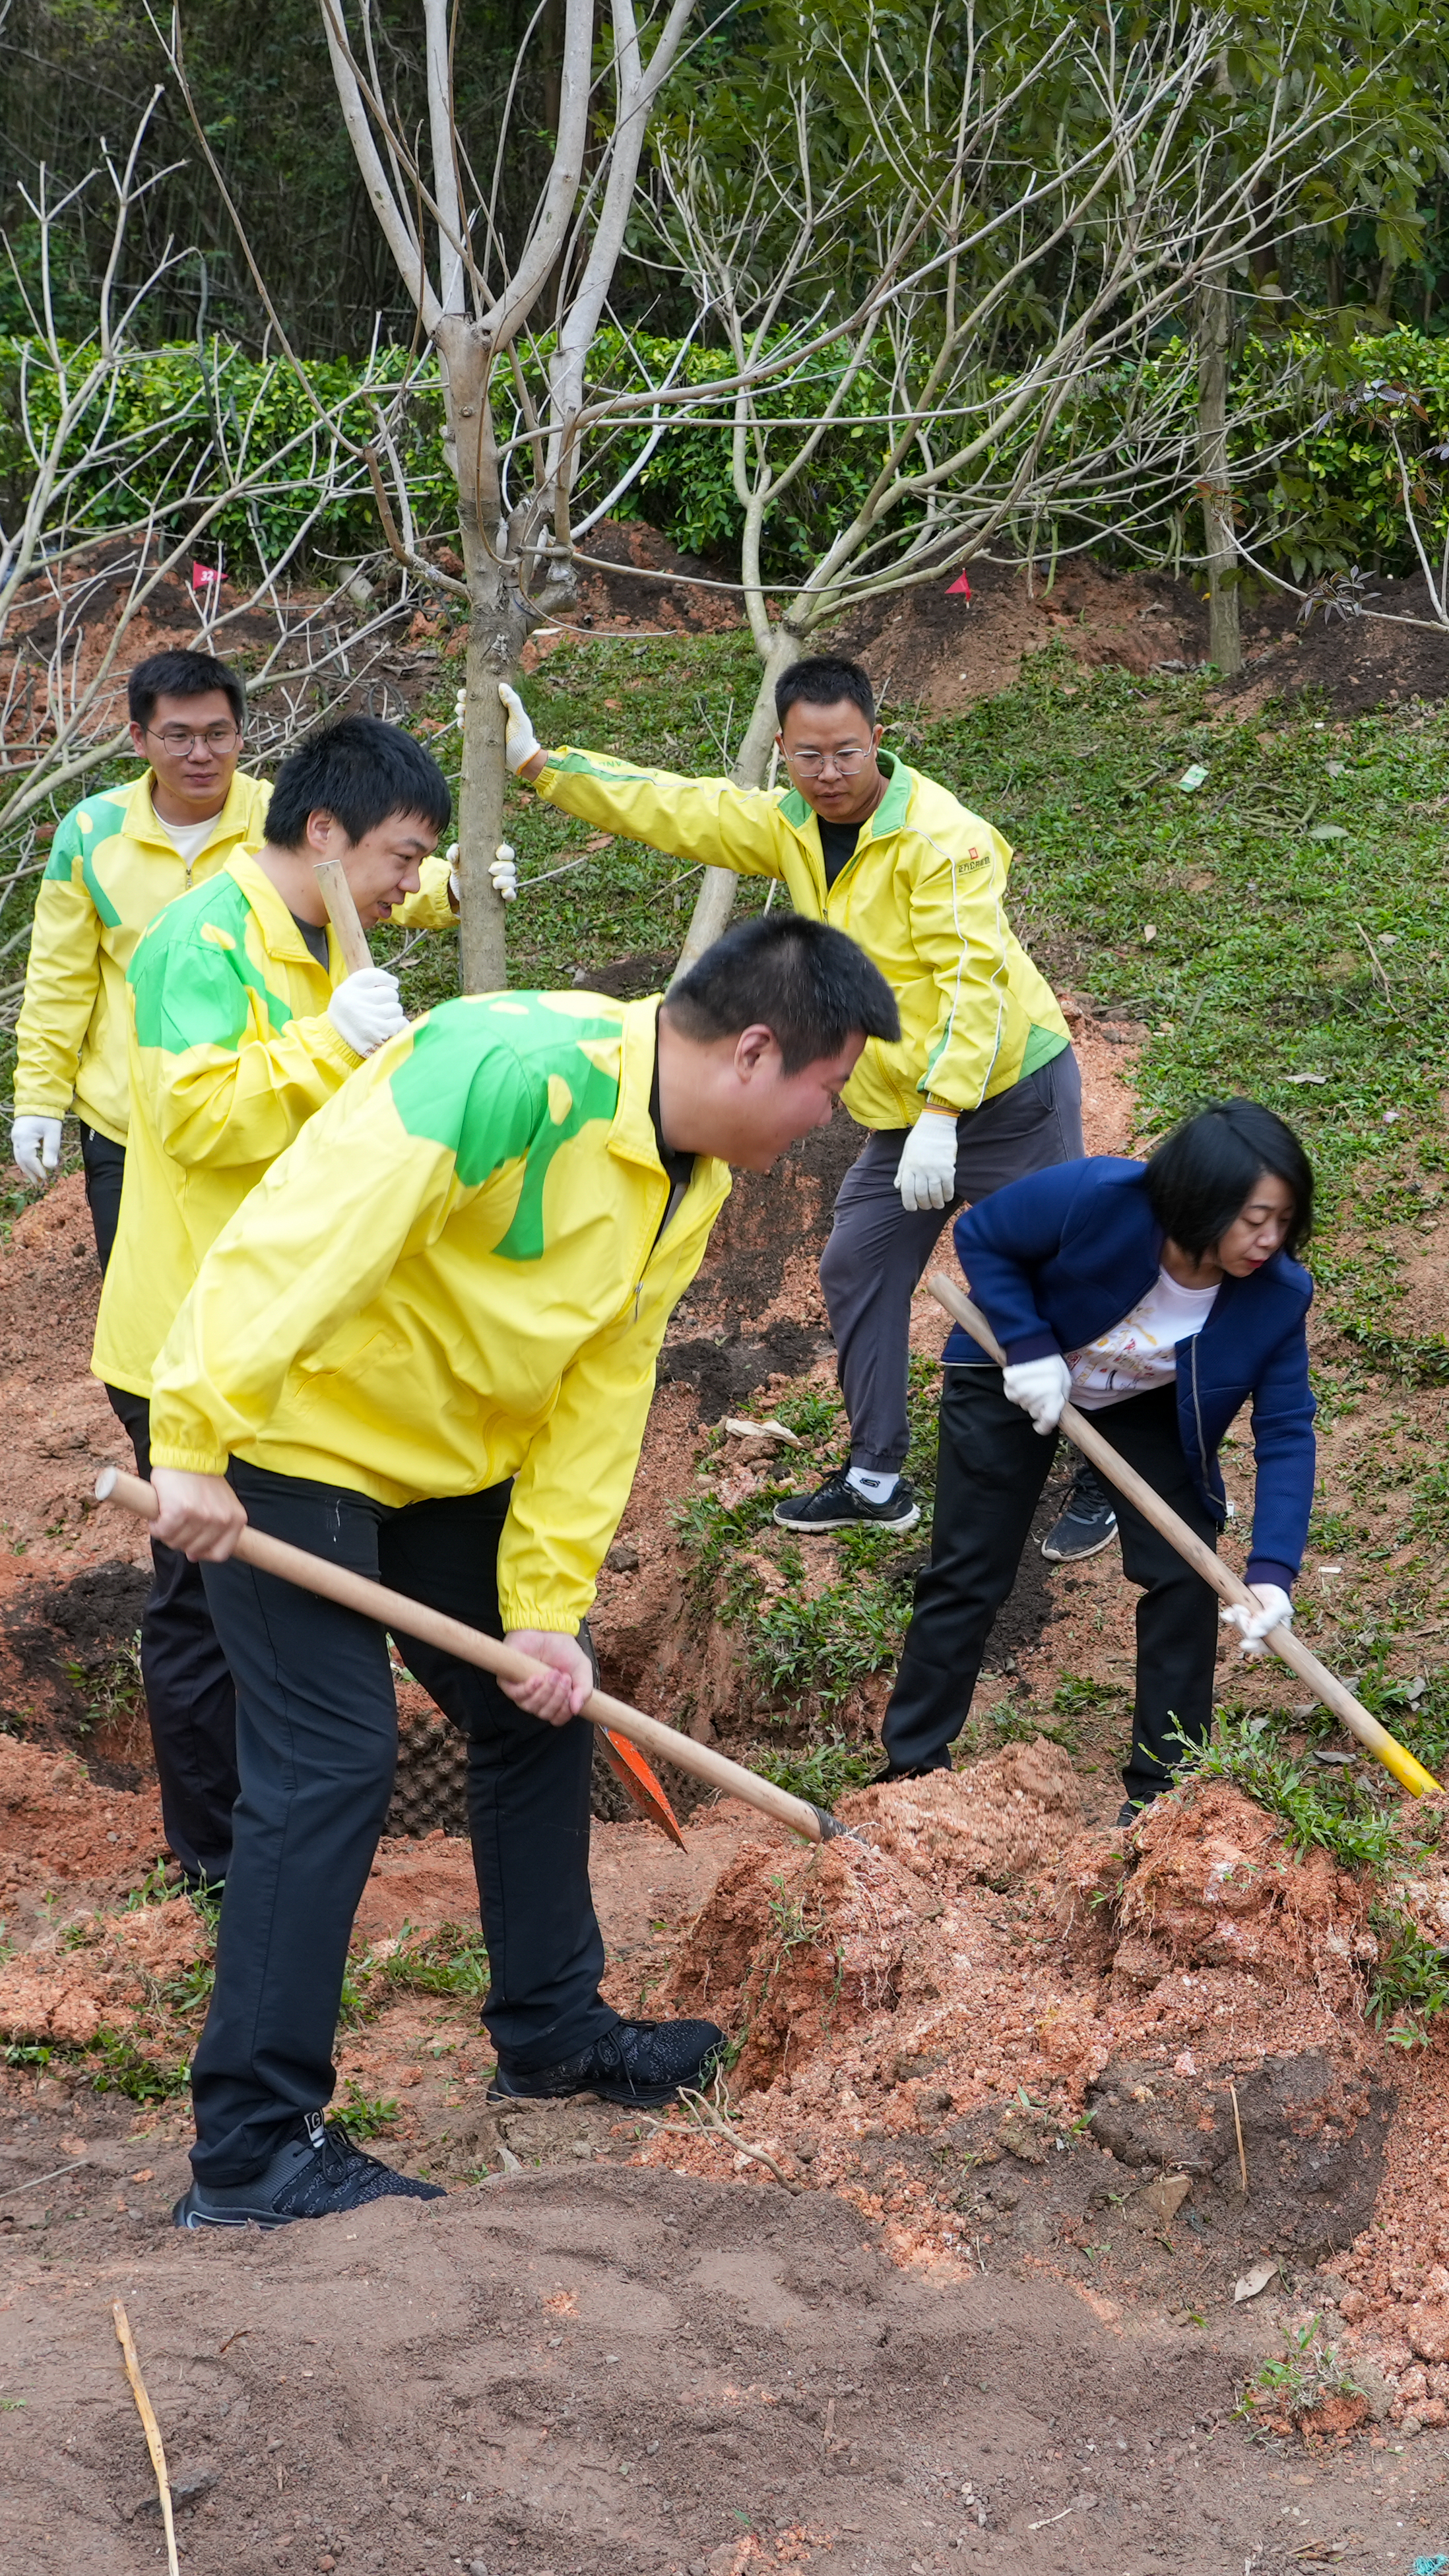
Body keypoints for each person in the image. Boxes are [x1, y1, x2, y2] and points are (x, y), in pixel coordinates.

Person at [139, 912, 901, 2226]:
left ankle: (550, 2026)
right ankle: (252, 2145)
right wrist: (194, 1438)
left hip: (439, 1462)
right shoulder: (499, 1068)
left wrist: (548, 1611)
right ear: (757, 1050)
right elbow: (304, 1237)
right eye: (826, 1093)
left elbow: (597, 1397)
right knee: (332, 1758)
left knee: (541, 1699)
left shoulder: (689, 1179)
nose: (821, 1124)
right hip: (291, 1438)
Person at [503, 655, 1085, 1540]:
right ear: (784, 750)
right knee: (859, 1262)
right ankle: (877, 1478)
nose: (830, 775)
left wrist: (943, 1112)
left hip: (1009, 1094)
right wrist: (545, 769)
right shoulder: (792, 825)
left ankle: (1106, 1476)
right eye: (810, 757)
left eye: (847, 753)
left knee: (1064, 1280)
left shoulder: (941, 838)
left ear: (877, 740)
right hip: (904, 1112)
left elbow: (978, 982)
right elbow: (681, 810)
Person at [84, 714, 457, 1889]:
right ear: (326, 832)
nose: (413, 882)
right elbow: (191, 1114)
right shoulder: (202, 940)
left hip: (269, 1335)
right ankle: (215, 1855)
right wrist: (323, 1048)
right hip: (183, 1340)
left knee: (253, 1593)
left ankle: (267, 1830)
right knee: (202, 1599)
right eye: (404, 857)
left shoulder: (322, 925)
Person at [878, 1101, 1320, 1822]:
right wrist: (1027, 1345)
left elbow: (1286, 1430)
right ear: (1199, 1199)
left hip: (1144, 1399)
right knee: (971, 1567)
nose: (1269, 1238)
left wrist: (1273, 1571)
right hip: (1012, 1369)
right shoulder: (1099, 1197)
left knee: (1185, 1573)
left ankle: (1163, 1798)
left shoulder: (1276, 1294)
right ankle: (912, 1769)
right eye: (1252, 1218)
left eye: (1282, 1218)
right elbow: (981, 1234)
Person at [4, 648, 470, 1270]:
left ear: (240, 735)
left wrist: (454, 888)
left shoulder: (279, 819)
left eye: (218, 734)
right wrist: (39, 1097)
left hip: (252, 1124)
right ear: (139, 739)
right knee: (154, 1266)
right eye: (180, 736)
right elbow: (59, 979)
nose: (202, 754)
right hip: (127, 1113)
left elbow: (369, 859)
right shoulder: (94, 836)